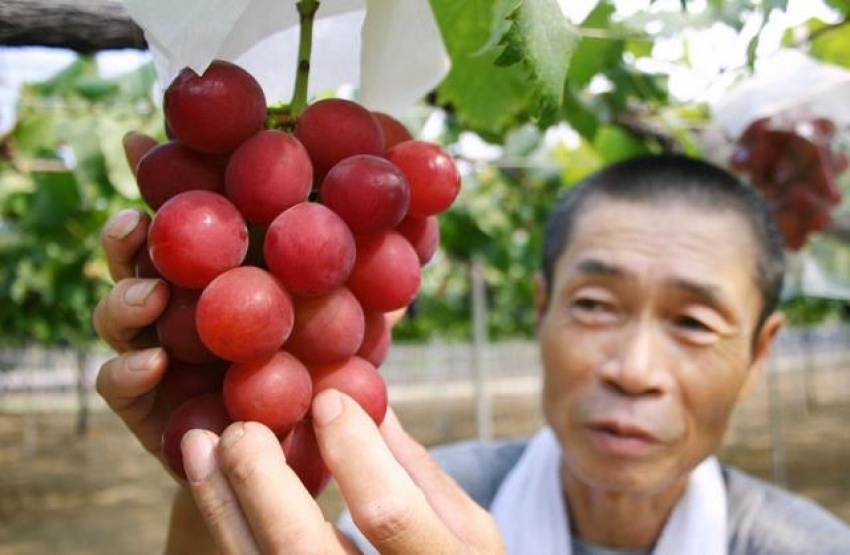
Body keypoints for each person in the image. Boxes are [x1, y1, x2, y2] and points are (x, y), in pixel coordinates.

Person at [93, 137, 850, 555]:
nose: (634, 370)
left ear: (759, 353)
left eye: (693, 323)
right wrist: (212, 473)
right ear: (541, 312)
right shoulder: (415, 503)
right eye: (593, 305)